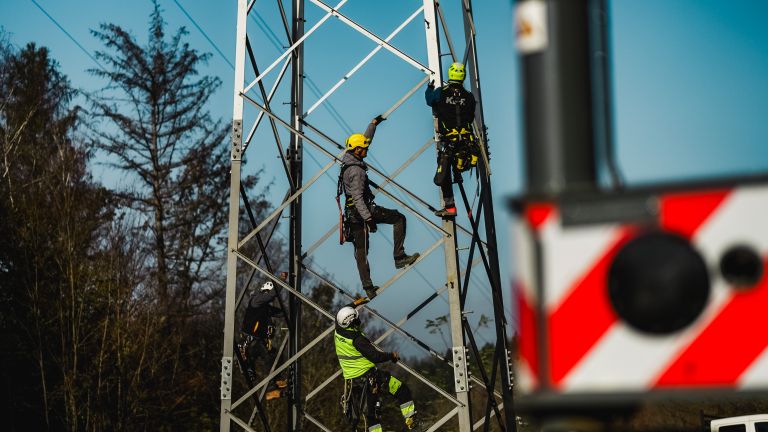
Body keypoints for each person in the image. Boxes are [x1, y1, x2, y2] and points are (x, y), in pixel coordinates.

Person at [339, 115, 419, 299]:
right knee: (399, 218)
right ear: (357, 150)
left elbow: (365, 140)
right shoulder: (357, 171)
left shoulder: (349, 159)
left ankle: (368, 288)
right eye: (364, 149)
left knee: (361, 251)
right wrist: (369, 219)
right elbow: (358, 198)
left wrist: (373, 124)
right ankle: (399, 257)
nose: (367, 149)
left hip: (352, 214)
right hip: (362, 211)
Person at [335, 299, 420, 432]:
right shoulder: (357, 340)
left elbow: (341, 314)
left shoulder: (339, 329)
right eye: (357, 318)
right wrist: (391, 356)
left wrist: (355, 304)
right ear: (353, 321)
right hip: (370, 378)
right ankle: (412, 423)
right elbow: (375, 356)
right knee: (401, 390)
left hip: (354, 383)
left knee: (371, 415)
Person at [425, 62, 479, 218]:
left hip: (449, 142)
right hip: (466, 143)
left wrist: (429, 88)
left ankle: (450, 207)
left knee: (444, 174)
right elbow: (470, 117)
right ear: (463, 76)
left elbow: (429, 100)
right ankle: (458, 172)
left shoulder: (441, 92)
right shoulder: (469, 96)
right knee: (454, 164)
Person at [237, 281, 286, 400]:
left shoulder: (266, 308)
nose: (271, 299)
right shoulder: (256, 300)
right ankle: (270, 386)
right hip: (250, 341)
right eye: (269, 295)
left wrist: (295, 306)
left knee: (275, 355)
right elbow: (272, 294)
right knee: (268, 357)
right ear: (265, 292)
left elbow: (281, 313)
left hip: (257, 341)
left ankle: (275, 382)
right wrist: (281, 281)